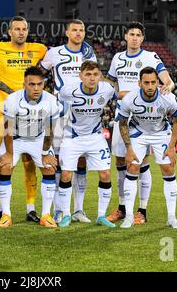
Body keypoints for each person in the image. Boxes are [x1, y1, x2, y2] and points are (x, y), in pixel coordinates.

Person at [0, 16, 95, 224]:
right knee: (2, 161)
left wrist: (86, 48)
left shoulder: (39, 48)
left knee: (31, 163)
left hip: (34, 113)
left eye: (24, 29)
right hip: (4, 112)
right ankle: (0, 209)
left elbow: (65, 52)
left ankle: (31, 208)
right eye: (17, 29)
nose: (21, 32)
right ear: (9, 32)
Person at [106, 22, 175, 225]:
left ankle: (141, 211)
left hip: (142, 117)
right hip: (122, 115)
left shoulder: (150, 57)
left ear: (142, 39)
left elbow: (167, 80)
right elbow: (111, 82)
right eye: (131, 34)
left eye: (138, 34)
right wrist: (114, 93)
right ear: (125, 37)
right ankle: (122, 208)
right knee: (121, 162)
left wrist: (168, 87)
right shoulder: (117, 58)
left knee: (141, 163)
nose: (135, 37)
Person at [39, 19, 98, 224]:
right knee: (57, 161)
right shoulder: (54, 53)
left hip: (84, 113)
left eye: (81, 30)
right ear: (67, 32)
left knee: (81, 160)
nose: (78, 33)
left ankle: (78, 210)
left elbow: (94, 80)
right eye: (75, 30)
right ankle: (58, 210)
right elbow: (40, 73)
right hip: (60, 113)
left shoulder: (89, 54)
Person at [117, 66, 177, 229]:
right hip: (138, 133)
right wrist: (129, 148)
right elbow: (123, 123)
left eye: (153, 82)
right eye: (146, 83)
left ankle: (171, 217)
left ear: (158, 82)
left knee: (168, 169)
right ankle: (129, 217)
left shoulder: (168, 97)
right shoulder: (129, 99)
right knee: (132, 168)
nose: (150, 86)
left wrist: (171, 146)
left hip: (161, 133)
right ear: (139, 83)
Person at [0, 66, 61, 228]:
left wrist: (46, 153)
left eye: (39, 84)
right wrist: (9, 153)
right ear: (24, 84)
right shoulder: (12, 100)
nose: (36, 88)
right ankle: (6, 214)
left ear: (44, 84)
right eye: (32, 84)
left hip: (38, 139)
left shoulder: (51, 101)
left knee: (49, 167)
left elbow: (50, 130)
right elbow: (7, 129)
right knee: (5, 166)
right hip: (16, 139)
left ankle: (46, 215)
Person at [56, 61, 116, 228]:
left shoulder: (107, 89)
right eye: (88, 75)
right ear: (80, 76)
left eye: (95, 74)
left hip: (95, 137)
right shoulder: (68, 91)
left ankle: (101, 215)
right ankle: (67, 214)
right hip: (72, 137)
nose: (92, 78)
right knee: (66, 175)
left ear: (100, 76)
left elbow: (121, 97)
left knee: (105, 174)